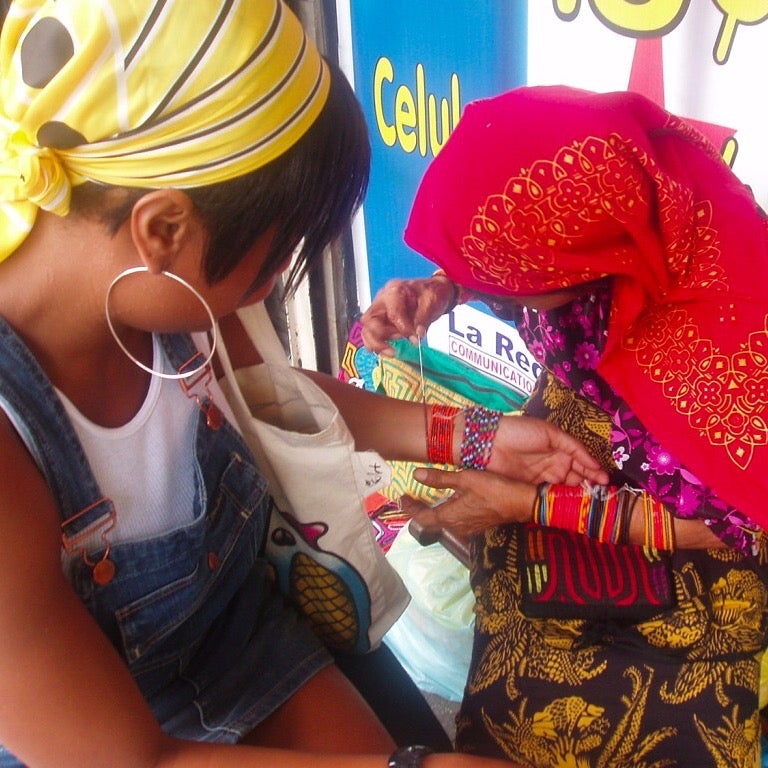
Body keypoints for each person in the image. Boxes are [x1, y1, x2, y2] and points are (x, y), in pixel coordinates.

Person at [0, 3, 611, 766]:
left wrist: (481, 437)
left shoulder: (162, 291)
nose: (274, 280)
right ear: (163, 230)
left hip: (243, 635)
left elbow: (280, 403)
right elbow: (132, 758)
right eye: (278, 250)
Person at [361, 85, 768, 766]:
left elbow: (733, 523)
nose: (493, 291)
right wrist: (443, 288)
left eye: (498, 279)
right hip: (576, 456)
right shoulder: (620, 217)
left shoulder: (729, 346)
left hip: (697, 541)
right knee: (510, 692)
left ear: (576, 263)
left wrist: (530, 505)